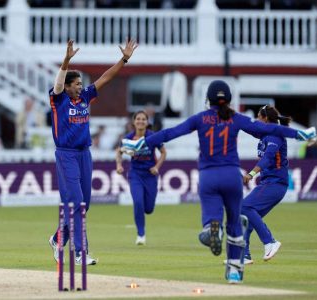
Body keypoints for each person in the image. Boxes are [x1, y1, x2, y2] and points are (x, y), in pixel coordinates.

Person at [123, 80, 316, 284]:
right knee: (235, 222)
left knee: (213, 215)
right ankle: (234, 271)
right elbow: (272, 130)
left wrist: (140, 143)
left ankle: (212, 227)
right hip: (232, 175)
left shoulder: (200, 118)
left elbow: (169, 133)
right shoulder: (236, 118)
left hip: (208, 176)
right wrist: (300, 134)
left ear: (209, 99)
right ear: (229, 100)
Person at [48, 38, 138, 265]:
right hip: (66, 154)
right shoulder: (58, 100)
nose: (80, 86)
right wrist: (66, 62)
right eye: (76, 83)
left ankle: (59, 238)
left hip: (84, 155)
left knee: (84, 205)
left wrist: (124, 59)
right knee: (77, 204)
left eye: (80, 83)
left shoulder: (85, 97)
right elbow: (58, 84)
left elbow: (106, 77)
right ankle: (80, 253)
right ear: (68, 87)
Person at [240, 105, 293, 264]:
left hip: (275, 184)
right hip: (269, 183)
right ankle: (244, 255)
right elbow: (249, 128)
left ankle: (270, 242)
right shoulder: (265, 133)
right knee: (246, 218)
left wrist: (251, 173)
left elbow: (268, 158)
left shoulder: (275, 136)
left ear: (265, 118)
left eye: (258, 116)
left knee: (245, 207)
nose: (256, 119)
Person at [116, 110, 166, 245]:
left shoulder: (153, 136)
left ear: (147, 122)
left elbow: (163, 152)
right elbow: (119, 151)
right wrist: (119, 165)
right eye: (138, 119)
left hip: (150, 175)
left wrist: (157, 167)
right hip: (135, 174)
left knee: (148, 209)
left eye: (143, 119)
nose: (140, 121)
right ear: (134, 122)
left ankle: (143, 215)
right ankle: (141, 235)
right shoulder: (128, 138)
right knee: (138, 202)